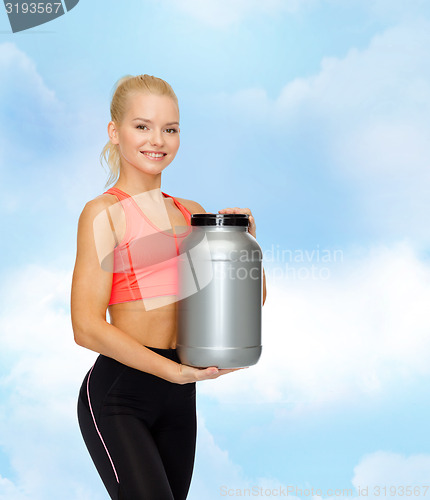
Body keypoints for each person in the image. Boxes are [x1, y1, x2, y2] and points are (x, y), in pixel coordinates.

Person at [71, 74, 267, 500]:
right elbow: (86, 326)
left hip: (179, 397)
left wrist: (247, 241)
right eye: (142, 126)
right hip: (120, 394)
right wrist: (172, 371)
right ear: (115, 132)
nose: (157, 139)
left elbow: (248, 302)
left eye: (170, 129)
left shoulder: (191, 215)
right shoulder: (104, 213)